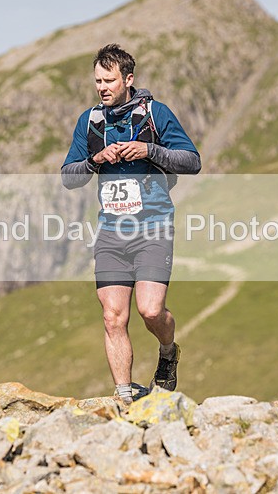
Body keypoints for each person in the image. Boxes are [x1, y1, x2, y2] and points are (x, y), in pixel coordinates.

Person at [61, 44, 201, 404]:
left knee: (150, 311)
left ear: (128, 79)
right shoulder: (90, 121)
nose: (102, 88)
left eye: (109, 81)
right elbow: (68, 177)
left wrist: (149, 151)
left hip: (153, 228)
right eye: (97, 81)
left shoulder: (156, 114)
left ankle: (168, 351)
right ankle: (124, 398)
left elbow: (192, 161)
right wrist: (95, 160)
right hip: (111, 232)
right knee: (113, 317)